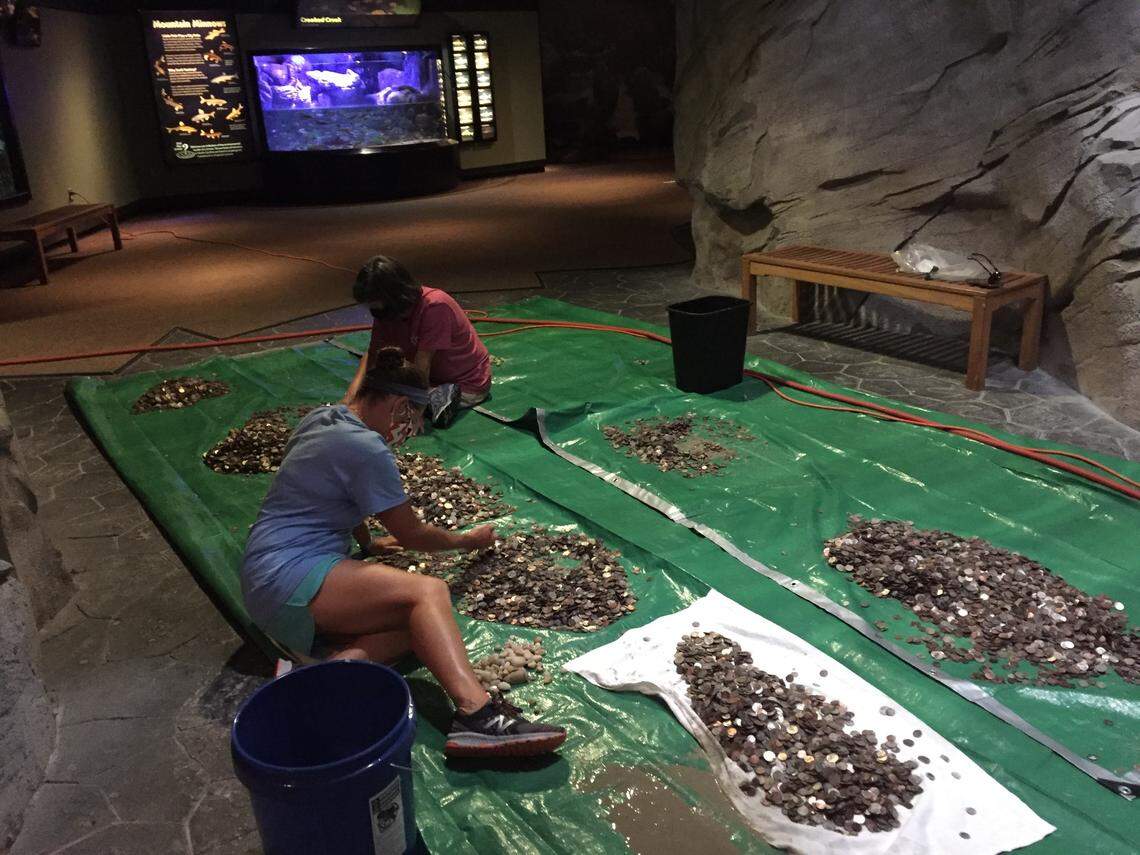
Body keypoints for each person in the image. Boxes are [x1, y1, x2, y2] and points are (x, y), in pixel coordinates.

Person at [241, 347, 566, 758]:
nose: (410, 428)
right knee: (428, 595)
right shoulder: (367, 447)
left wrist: (367, 545)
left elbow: (338, 494)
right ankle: (478, 716)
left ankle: (322, 676)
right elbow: (412, 535)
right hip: (287, 576)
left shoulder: (325, 418)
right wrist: (468, 540)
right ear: (397, 405)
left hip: (262, 578)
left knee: (424, 630)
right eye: (412, 416)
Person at [347, 256, 492, 423]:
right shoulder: (384, 311)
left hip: (465, 382)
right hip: (426, 379)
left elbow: (423, 363)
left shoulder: (435, 306)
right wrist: (352, 398)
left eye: (373, 302)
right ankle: (430, 396)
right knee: (379, 397)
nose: (371, 308)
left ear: (392, 297)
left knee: (393, 407)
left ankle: (442, 397)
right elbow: (373, 354)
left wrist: (416, 411)